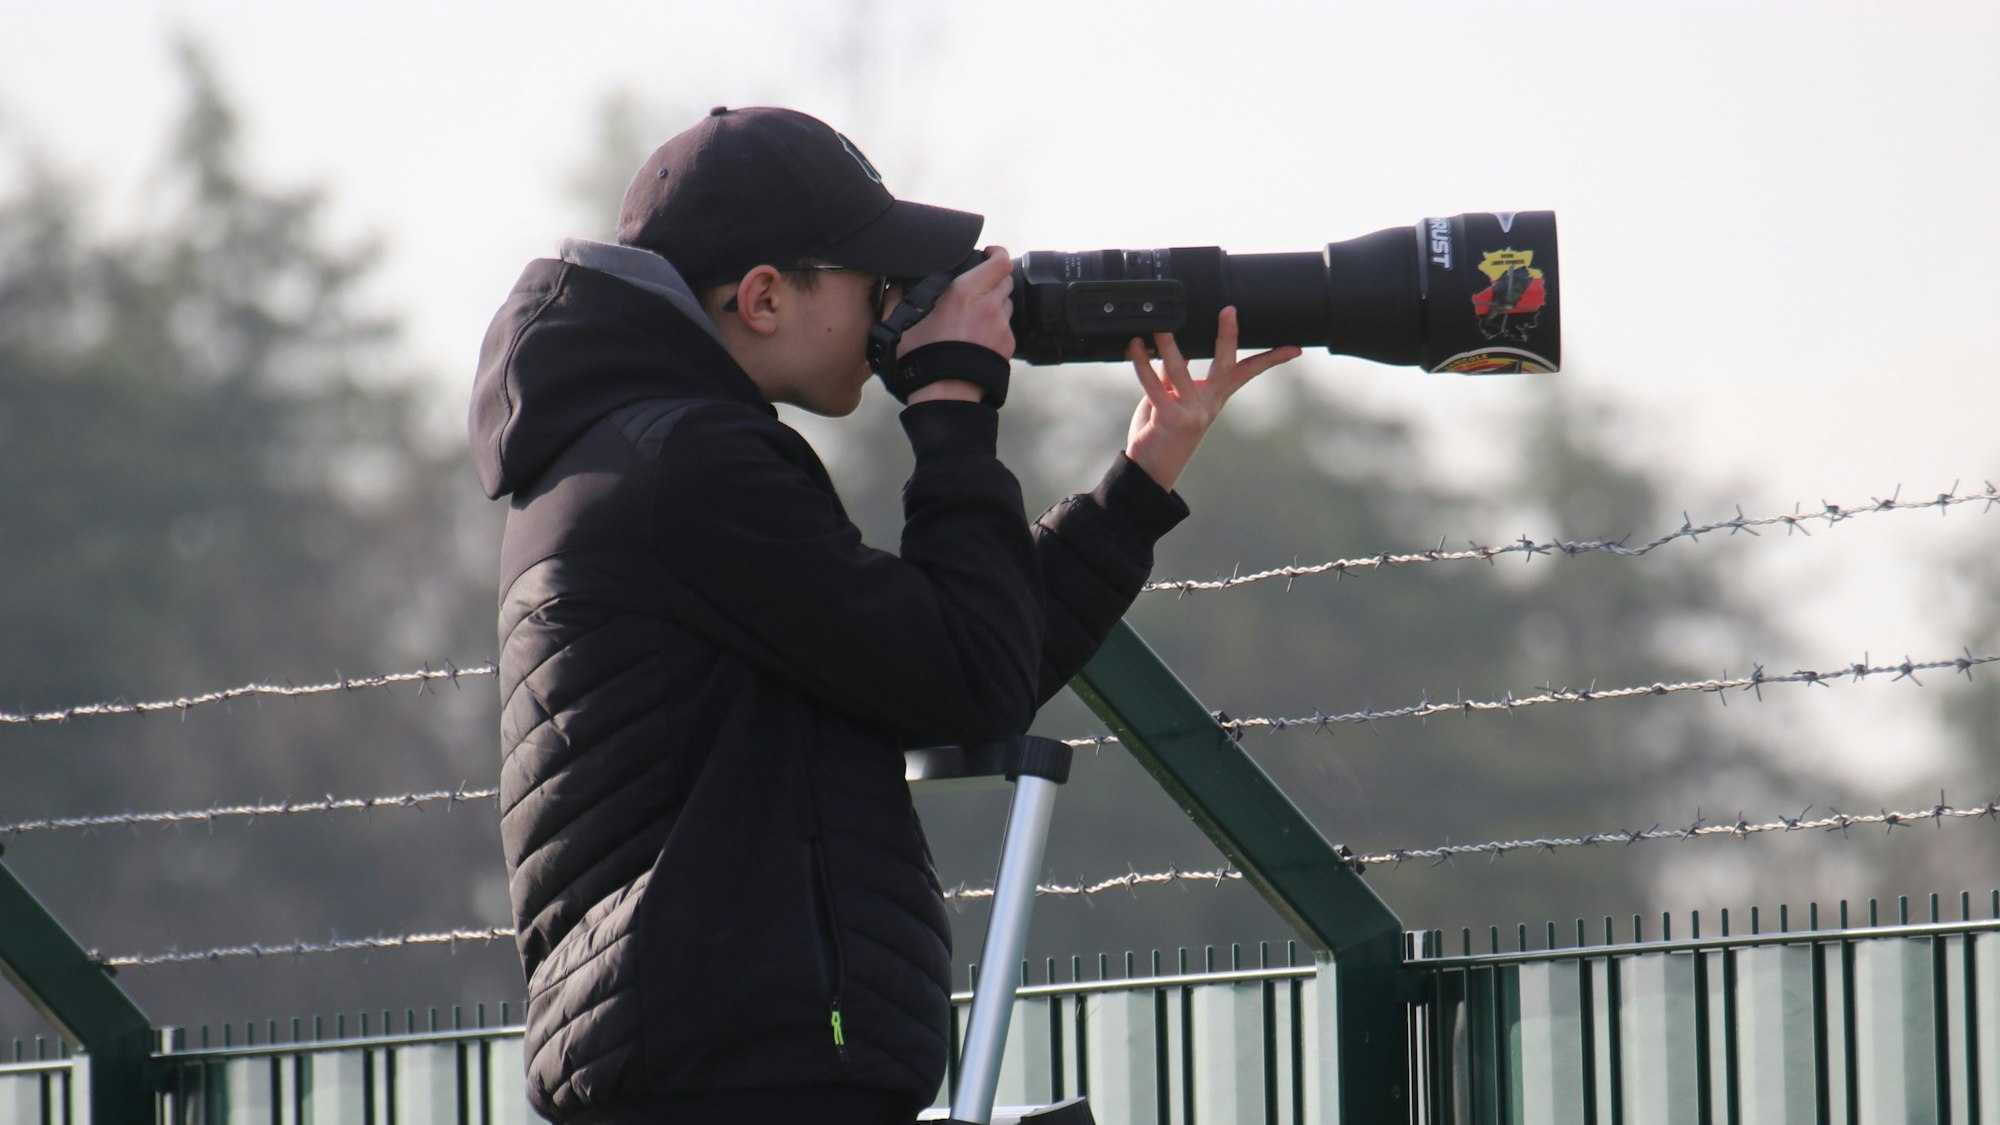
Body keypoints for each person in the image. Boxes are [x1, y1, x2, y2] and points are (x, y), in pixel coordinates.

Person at [467, 105, 1298, 1125]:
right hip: (743, 1075)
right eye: (874, 286)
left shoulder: (637, 453)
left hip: (717, 1059)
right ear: (765, 297)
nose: (893, 316)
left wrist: (1139, 478)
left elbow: (944, 670)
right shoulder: (689, 466)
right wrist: (952, 407)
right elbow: (964, 674)